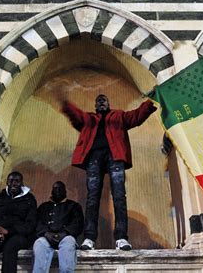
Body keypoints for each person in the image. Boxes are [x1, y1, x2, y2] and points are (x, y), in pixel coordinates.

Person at [58, 92, 157, 250]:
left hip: (115, 157)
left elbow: (136, 116)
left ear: (108, 103)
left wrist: (149, 102)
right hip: (94, 158)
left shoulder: (118, 115)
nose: (102, 102)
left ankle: (121, 238)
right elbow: (76, 115)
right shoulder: (89, 118)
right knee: (92, 199)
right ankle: (89, 239)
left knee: (119, 196)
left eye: (104, 100)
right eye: (99, 101)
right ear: (95, 105)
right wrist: (65, 104)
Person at [0, 171, 37, 273]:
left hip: (19, 236)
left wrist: (8, 231)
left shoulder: (29, 200)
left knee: (10, 247)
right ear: (7, 182)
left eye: (17, 181)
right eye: (11, 180)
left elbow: (30, 225)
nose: (14, 183)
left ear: (22, 183)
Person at [32, 181, 84, 273]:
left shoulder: (74, 206)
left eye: (60, 188)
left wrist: (64, 233)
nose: (58, 191)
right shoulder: (44, 207)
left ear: (65, 191)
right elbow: (37, 222)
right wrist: (46, 233)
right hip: (46, 237)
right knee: (39, 244)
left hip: (66, 236)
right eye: (55, 188)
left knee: (69, 244)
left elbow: (78, 223)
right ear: (51, 191)